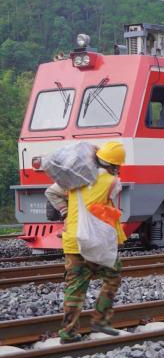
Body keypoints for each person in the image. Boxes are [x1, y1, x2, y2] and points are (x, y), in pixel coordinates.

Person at [48, 141, 127, 344]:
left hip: (73, 241)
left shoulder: (74, 178)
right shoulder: (112, 181)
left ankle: (68, 333)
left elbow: (51, 192)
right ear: (115, 165)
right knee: (112, 276)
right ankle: (100, 320)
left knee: (74, 288)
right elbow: (110, 193)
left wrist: (65, 212)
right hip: (96, 242)